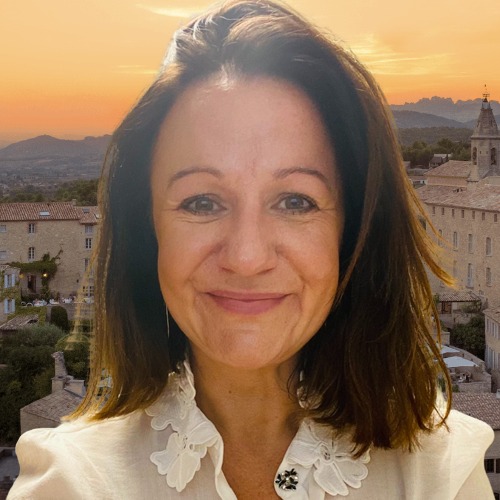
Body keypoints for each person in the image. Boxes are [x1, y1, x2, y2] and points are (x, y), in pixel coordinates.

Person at [9, 1, 494, 498]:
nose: (246, 257)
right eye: (201, 202)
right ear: (147, 230)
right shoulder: (72, 483)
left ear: (352, 233)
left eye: (295, 201)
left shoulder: (441, 476)